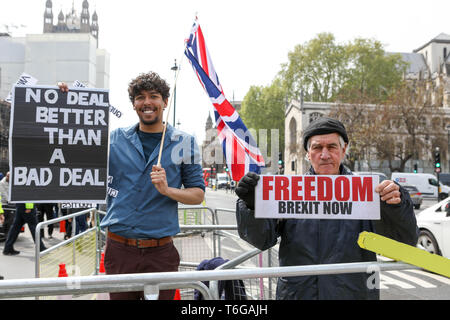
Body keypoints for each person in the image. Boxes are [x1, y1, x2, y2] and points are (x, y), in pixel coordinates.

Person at [235, 116, 419, 300]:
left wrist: (396, 206)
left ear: (343, 149)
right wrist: (252, 206)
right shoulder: (287, 192)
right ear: (307, 153)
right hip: (298, 294)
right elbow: (262, 240)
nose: (324, 155)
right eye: (317, 147)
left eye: (331, 147)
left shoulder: (371, 195)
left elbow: (403, 244)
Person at [58, 71, 205, 300]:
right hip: (119, 251)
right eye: (140, 97)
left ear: (165, 102)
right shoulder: (115, 139)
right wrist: (65, 102)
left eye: (154, 96)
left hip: (161, 254)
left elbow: (197, 194)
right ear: (134, 104)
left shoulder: (184, 142)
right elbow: (75, 148)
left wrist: (167, 190)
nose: (147, 102)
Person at [0, 172, 15, 240]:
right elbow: (4, 194)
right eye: (9, 177)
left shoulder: (11, 182)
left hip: (10, 204)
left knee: (10, 220)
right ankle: (2, 234)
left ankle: (7, 235)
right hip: (4, 204)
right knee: (4, 220)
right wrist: (10, 201)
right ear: (7, 176)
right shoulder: (1, 183)